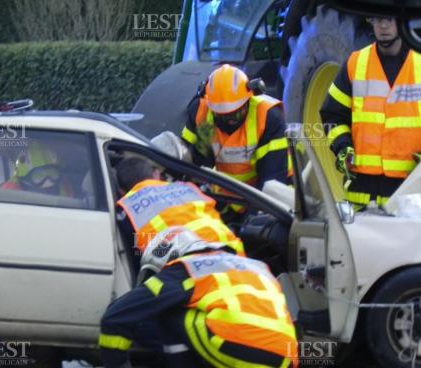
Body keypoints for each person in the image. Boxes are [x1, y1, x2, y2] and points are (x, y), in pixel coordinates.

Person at [99, 227, 298, 368]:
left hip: (237, 348)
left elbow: (115, 317)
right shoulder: (253, 265)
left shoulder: (187, 267)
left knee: (166, 313)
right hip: (286, 358)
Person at [320, 16, 421, 210]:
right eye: (378, 19)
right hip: (361, 195)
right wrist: (343, 147)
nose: (383, 26)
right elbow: (332, 114)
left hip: (410, 193)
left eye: (390, 19)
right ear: (370, 21)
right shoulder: (355, 64)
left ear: (402, 21)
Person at [180, 64, 292, 194]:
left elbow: (272, 177)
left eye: (235, 114)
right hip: (230, 195)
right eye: (222, 115)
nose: (230, 120)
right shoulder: (200, 112)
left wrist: (254, 213)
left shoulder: (269, 118)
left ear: (248, 99)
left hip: (272, 194)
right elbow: (193, 163)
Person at [114, 156, 244, 262]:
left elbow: (133, 255)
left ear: (121, 191)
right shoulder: (188, 188)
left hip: (192, 267)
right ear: (156, 175)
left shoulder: (127, 208)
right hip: (236, 256)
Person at [1, 141, 73, 196]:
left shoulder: (64, 188)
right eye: (39, 175)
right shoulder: (8, 194)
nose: (47, 179)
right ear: (24, 178)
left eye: (52, 173)